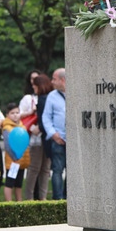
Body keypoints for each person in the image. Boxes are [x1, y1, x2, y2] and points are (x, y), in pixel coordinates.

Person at [24, 73, 52, 201]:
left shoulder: (42, 99)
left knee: (34, 169)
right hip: (48, 139)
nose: (33, 87)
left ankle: (29, 198)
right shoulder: (50, 98)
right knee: (45, 170)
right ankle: (43, 197)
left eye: (35, 85)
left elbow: (42, 120)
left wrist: (37, 129)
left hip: (38, 139)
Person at [42, 68, 67, 200]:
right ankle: (58, 200)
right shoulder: (52, 96)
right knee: (57, 170)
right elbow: (46, 117)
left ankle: (70, 198)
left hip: (74, 142)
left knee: (74, 172)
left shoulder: (77, 93)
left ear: (63, 80)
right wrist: (53, 134)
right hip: (58, 140)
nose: (52, 82)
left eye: (54, 79)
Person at [1, 103, 30, 202]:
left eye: (17, 112)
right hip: (13, 162)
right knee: (9, 183)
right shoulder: (7, 128)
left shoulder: (23, 127)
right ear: (7, 115)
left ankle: (19, 202)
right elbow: (8, 146)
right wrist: (15, 158)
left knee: (19, 183)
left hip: (22, 162)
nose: (15, 115)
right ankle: (9, 203)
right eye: (12, 113)